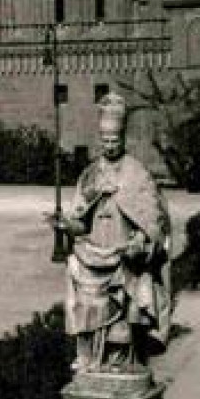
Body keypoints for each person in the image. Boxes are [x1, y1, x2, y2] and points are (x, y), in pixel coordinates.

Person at [57, 93, 174, 372]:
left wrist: (142, 239)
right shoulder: (89, 175)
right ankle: (89, 361)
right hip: (93, 257)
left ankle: (121, 364)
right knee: (87, 309)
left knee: (123, 319)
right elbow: (80, 220)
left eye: (115, 141)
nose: (110, 146)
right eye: (105, 142)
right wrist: (67, 225)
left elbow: (154, 218)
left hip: (124, 258)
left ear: (123, 139)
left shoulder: (137, 173)